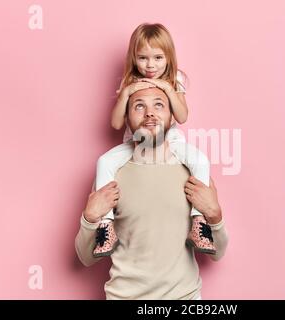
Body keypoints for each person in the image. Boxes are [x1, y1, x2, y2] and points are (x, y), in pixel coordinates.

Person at [75, 87, 229, 299]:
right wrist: (90, 218)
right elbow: (86, 258)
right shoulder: (110, 176)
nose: (149, 113)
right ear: (127, 119)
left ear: (172, 116)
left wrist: (215, 215)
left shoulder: (194, 175)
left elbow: (218, 253)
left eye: (159, 105)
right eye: (139, 106)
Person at [92, 23, 214, 257]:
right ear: (133, 58)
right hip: (134, 143)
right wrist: (126, 93)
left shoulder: (174, 79)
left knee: (200, 160)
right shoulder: (129, 82)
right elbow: (117, 124)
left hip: (169, 141)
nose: (150, 65)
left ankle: (199, 222)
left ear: (168, 58)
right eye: (143, 58)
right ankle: (105, 226)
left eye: (158, 57)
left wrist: (168, 89)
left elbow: (182, 116)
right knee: (104, 162)